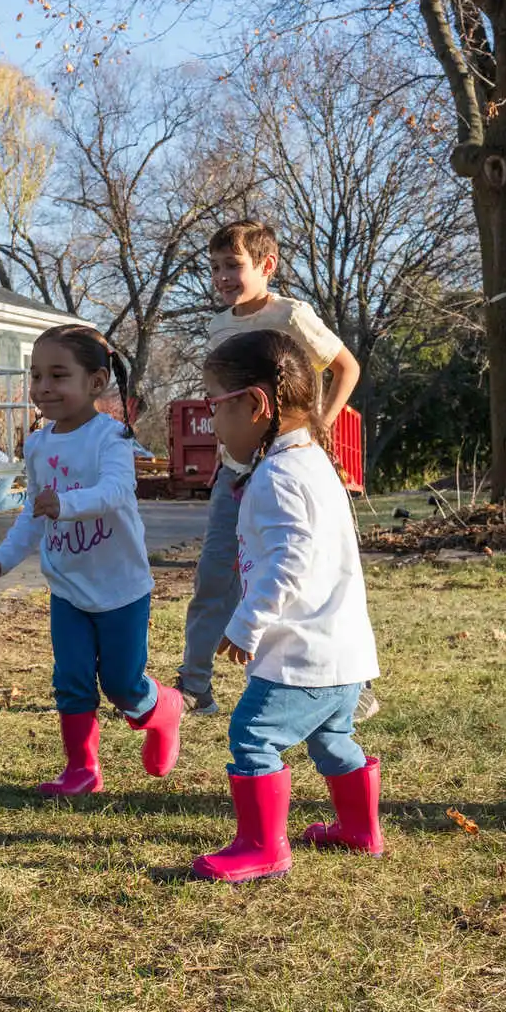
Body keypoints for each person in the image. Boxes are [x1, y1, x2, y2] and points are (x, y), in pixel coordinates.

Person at [191, 329, 383, 882]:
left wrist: (247, 622)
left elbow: (290, 559)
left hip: (303, 657)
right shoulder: (313, 461)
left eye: (215, 405)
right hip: (344, 657)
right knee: (332, 739)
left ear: (255, 404)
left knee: (252, 735)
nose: (213, 422)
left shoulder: (278, 475)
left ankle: (261, 846)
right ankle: (360, 829)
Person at [0, 324, 185, 794]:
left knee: (122, 685)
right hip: (68, 587)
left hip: (120, 588)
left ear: (95, 382)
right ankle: (82, 771)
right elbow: (33, 511)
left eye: (57, 375)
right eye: (36, 376)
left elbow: (115, 491)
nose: (43, 387)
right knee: (71, 679)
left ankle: (163, 707)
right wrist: (2, 557)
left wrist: (66, 504)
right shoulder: (37, 444)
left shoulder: (110, 438)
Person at [178, 219, 365, 719]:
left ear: (267, 265)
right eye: (215, 267)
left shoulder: (293, 316)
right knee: (217, 573)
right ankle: (194, 683)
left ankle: (350, 680)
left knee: (319, 570)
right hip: (235, 469)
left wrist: (321, 425)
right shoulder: (219, 327)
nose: (222, 276)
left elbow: (347, 366)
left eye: (233, 265)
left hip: (291, 462)